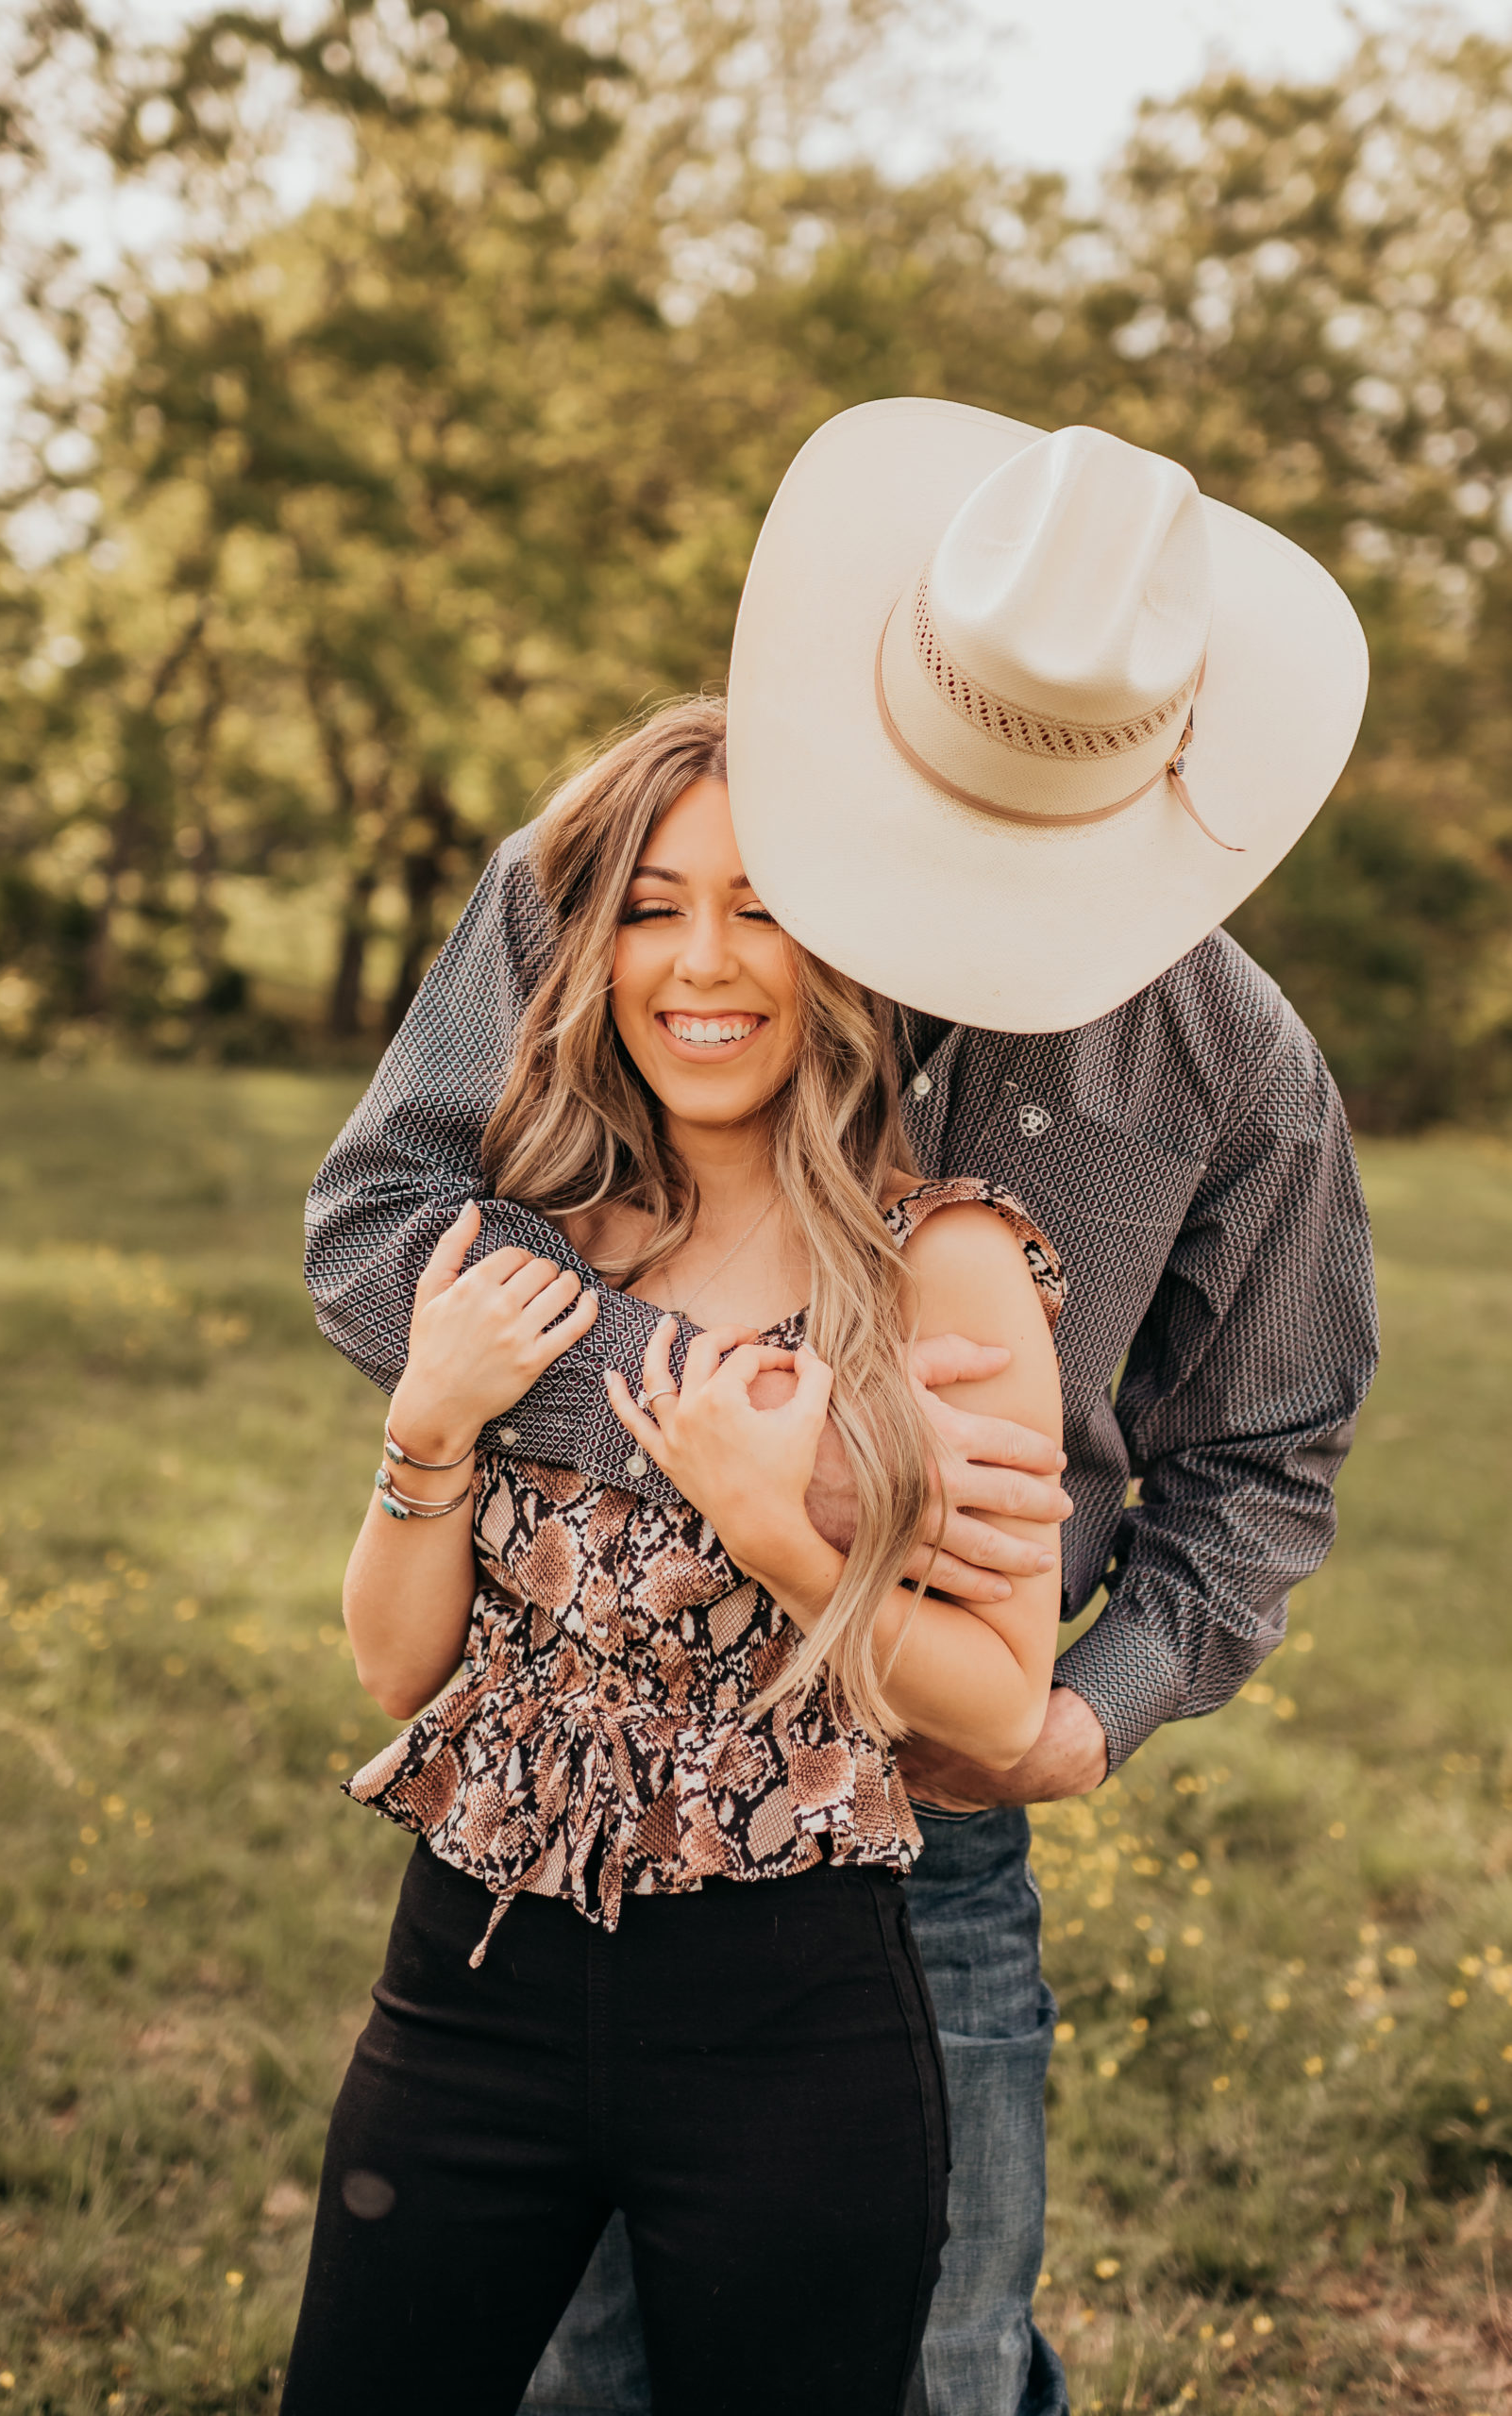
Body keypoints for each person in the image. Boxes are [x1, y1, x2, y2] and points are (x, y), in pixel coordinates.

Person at [299, 409, 1381, 2416]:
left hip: (915, 1820)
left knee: (928, 2364)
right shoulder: (636, 872)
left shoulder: (1228, 1057)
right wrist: (733, 1433)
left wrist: (1085, 1706)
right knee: (549, 2366)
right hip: (563, 1792)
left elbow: (1270, 1440)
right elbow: (382, 1218)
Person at [280, 696, 1068, 2414]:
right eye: (649, 907)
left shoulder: (943, 1266)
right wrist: (426, 1424)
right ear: (587, 951)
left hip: (790, 2029)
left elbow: (998, 1711)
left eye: (760, 905)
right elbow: (401, 1674)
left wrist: (778, 1530)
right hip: (468, 1987)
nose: (700, 960)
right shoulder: (523, 1236)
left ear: (843, 947)